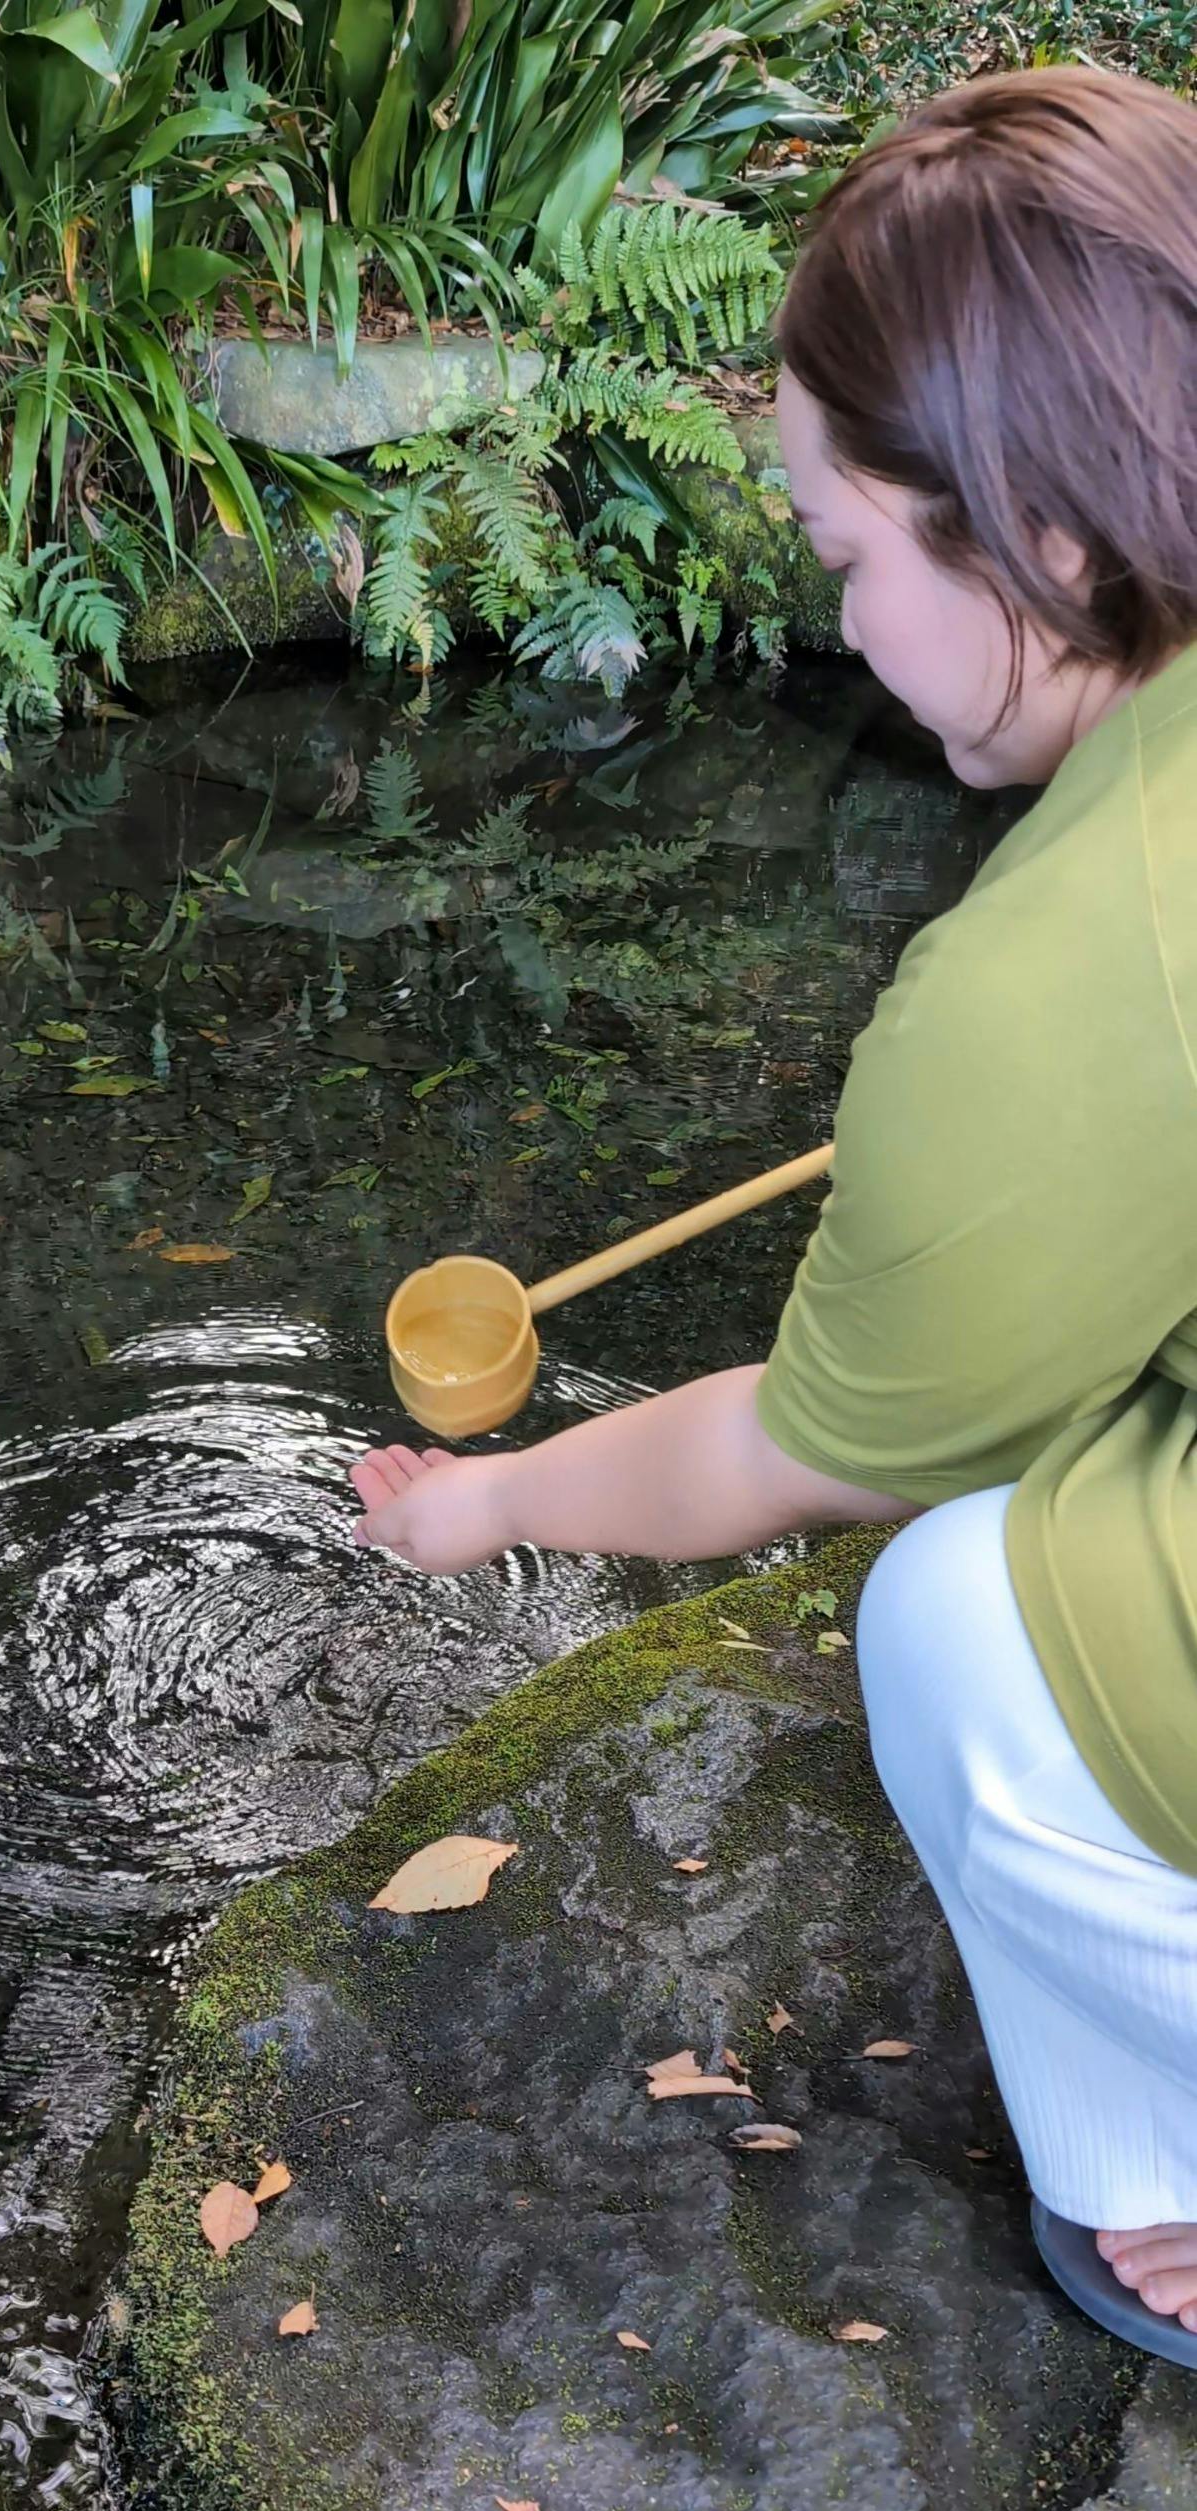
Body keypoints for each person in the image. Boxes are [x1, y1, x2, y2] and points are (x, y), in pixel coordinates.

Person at [349, 67, 1197, 2364]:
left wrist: (480, 1507)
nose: (833, 625)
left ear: (1032, 533)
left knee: (947, 1626)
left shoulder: (1047, 986)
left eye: (840, 558)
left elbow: (796, 1455)